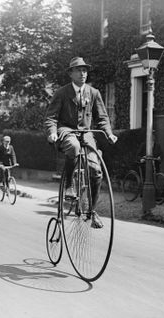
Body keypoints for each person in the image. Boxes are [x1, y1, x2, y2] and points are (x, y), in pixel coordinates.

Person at [44, 56, 117, 229]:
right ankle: (69, 184)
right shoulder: (62, 93)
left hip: (86, 133)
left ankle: (92, 210)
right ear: (71, 73)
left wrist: (109, 133)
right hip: (67, 130)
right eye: (79, 70)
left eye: (85, 70)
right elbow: (51, 117)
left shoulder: (93, 93)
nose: (83, 73)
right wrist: (52, 132)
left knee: (96, 170)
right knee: (74, 147)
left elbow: (102, 117)